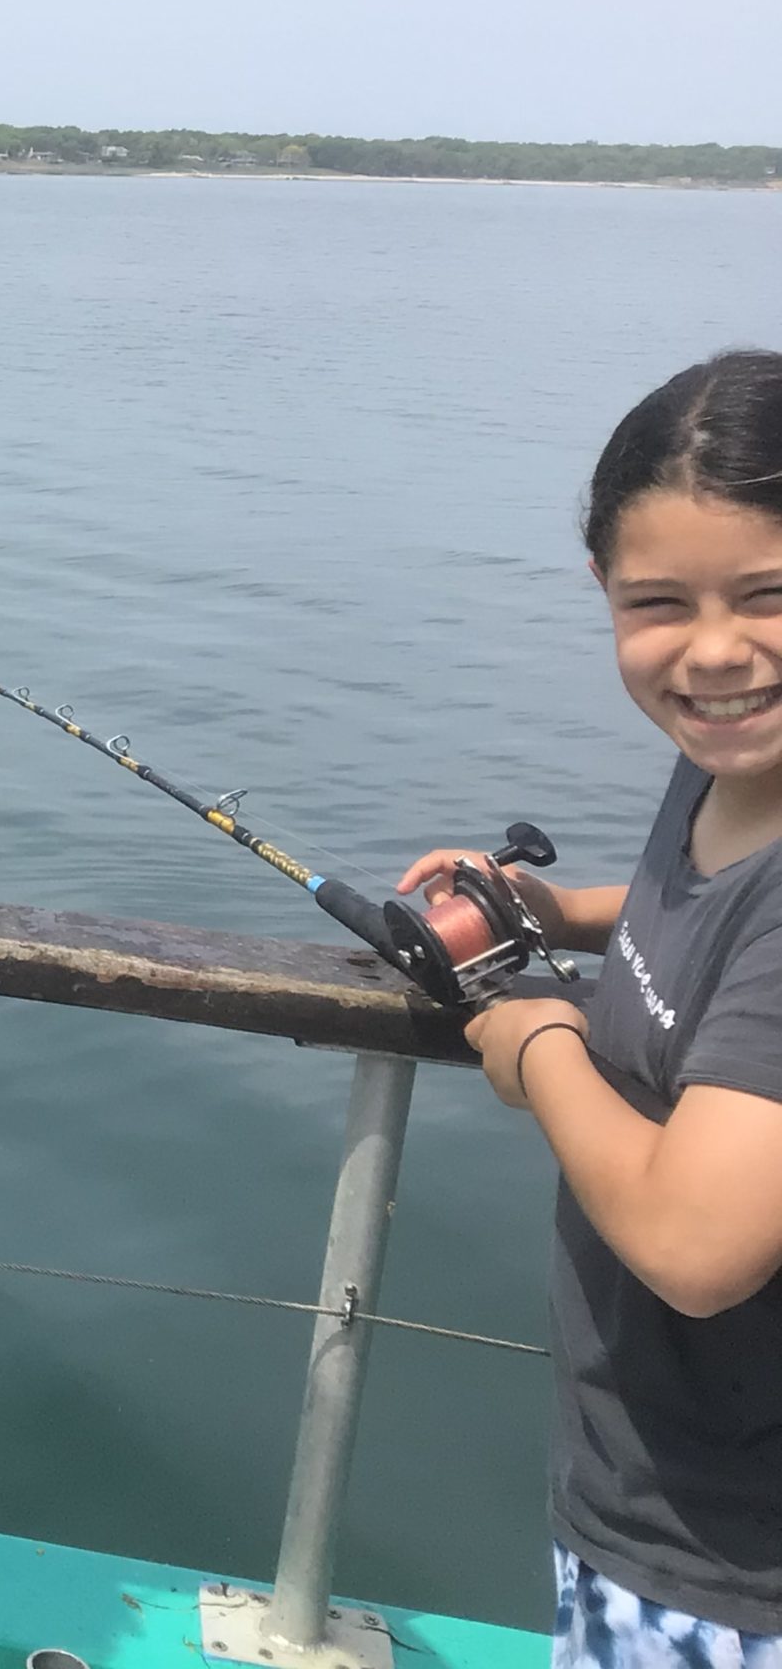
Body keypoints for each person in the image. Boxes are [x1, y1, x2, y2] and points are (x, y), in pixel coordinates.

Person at [398, 350, 782, 1662]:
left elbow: (694, 1240)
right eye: (659, 602)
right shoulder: (734, 768)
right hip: (653, 1492)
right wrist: (560, 913)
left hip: (735, 1572)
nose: (717, 651)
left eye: (769, 595)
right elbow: (717, 916)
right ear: (603, 594)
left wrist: (535, 1034)